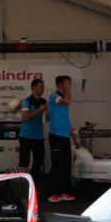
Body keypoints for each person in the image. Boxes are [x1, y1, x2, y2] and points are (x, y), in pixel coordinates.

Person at [47, 75, 79, 203]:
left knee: (66, 166)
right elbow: (67, 100)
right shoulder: (54, 97)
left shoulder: (64, 104)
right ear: (60, 84)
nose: (69, 86)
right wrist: (67, 90)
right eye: (67, 83)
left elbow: (66, 120)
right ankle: (53, 193)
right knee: (57, 165)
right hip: (56, 136)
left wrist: (74, 137)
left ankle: (63, 192)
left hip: (65, 137)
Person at [17, 78, 48, 182]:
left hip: (38, 136)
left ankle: (34, 183)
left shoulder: (44, 101)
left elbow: (46, 118)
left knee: (38, 161)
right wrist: (40, 110)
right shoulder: (27, 101)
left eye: (43, 87)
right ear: (33, 88)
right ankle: (20, 183)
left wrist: (48, 114)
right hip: (26, 136)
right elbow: (25, 117)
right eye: (40, 87)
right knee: (24, 161)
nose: (42, 89)